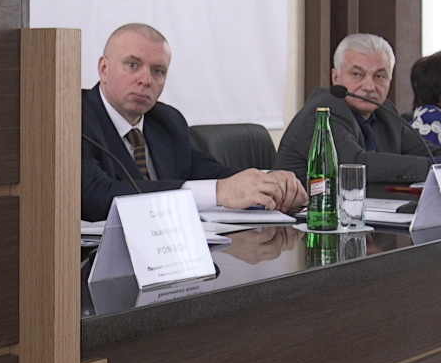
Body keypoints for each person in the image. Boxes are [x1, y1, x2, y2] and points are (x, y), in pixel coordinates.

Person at [82, 24, 306, 222]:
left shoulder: (167, 120)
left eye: (158, 71)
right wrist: (217, 192)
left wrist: (267, 181)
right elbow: (95, 196)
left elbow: (210, 174)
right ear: (104, 68)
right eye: (133, 65)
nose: (146, 80)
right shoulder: (75, 119)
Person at [273, 34, 441, 184]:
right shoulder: (324, 111)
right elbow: (356, 164)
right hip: (303, 223)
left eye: (380, 76)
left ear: (390, 80)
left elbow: (424, 151)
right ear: (335, 77)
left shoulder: (384, 111)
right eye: (357, 75)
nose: (369, 86)